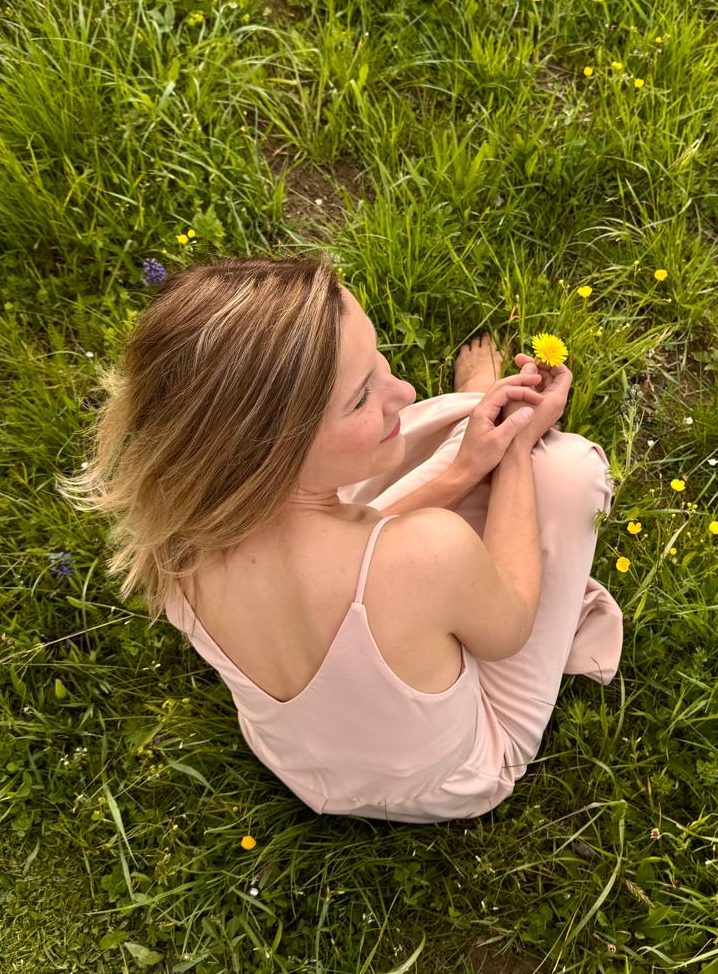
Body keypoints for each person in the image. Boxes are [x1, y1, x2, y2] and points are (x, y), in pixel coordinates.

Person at [57, 255, 622, 824]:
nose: (401, 388)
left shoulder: (173, 544)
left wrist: (461, 472)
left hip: (305, 769)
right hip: (454, 778)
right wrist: (518, 449)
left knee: (445, 457)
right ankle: (479, 406)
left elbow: (355, 559)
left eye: (379, 360)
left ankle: (466, 424)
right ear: (268, 449)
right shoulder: (429, 552)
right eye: (359, 397)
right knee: (569, 471)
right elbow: (511, 626)